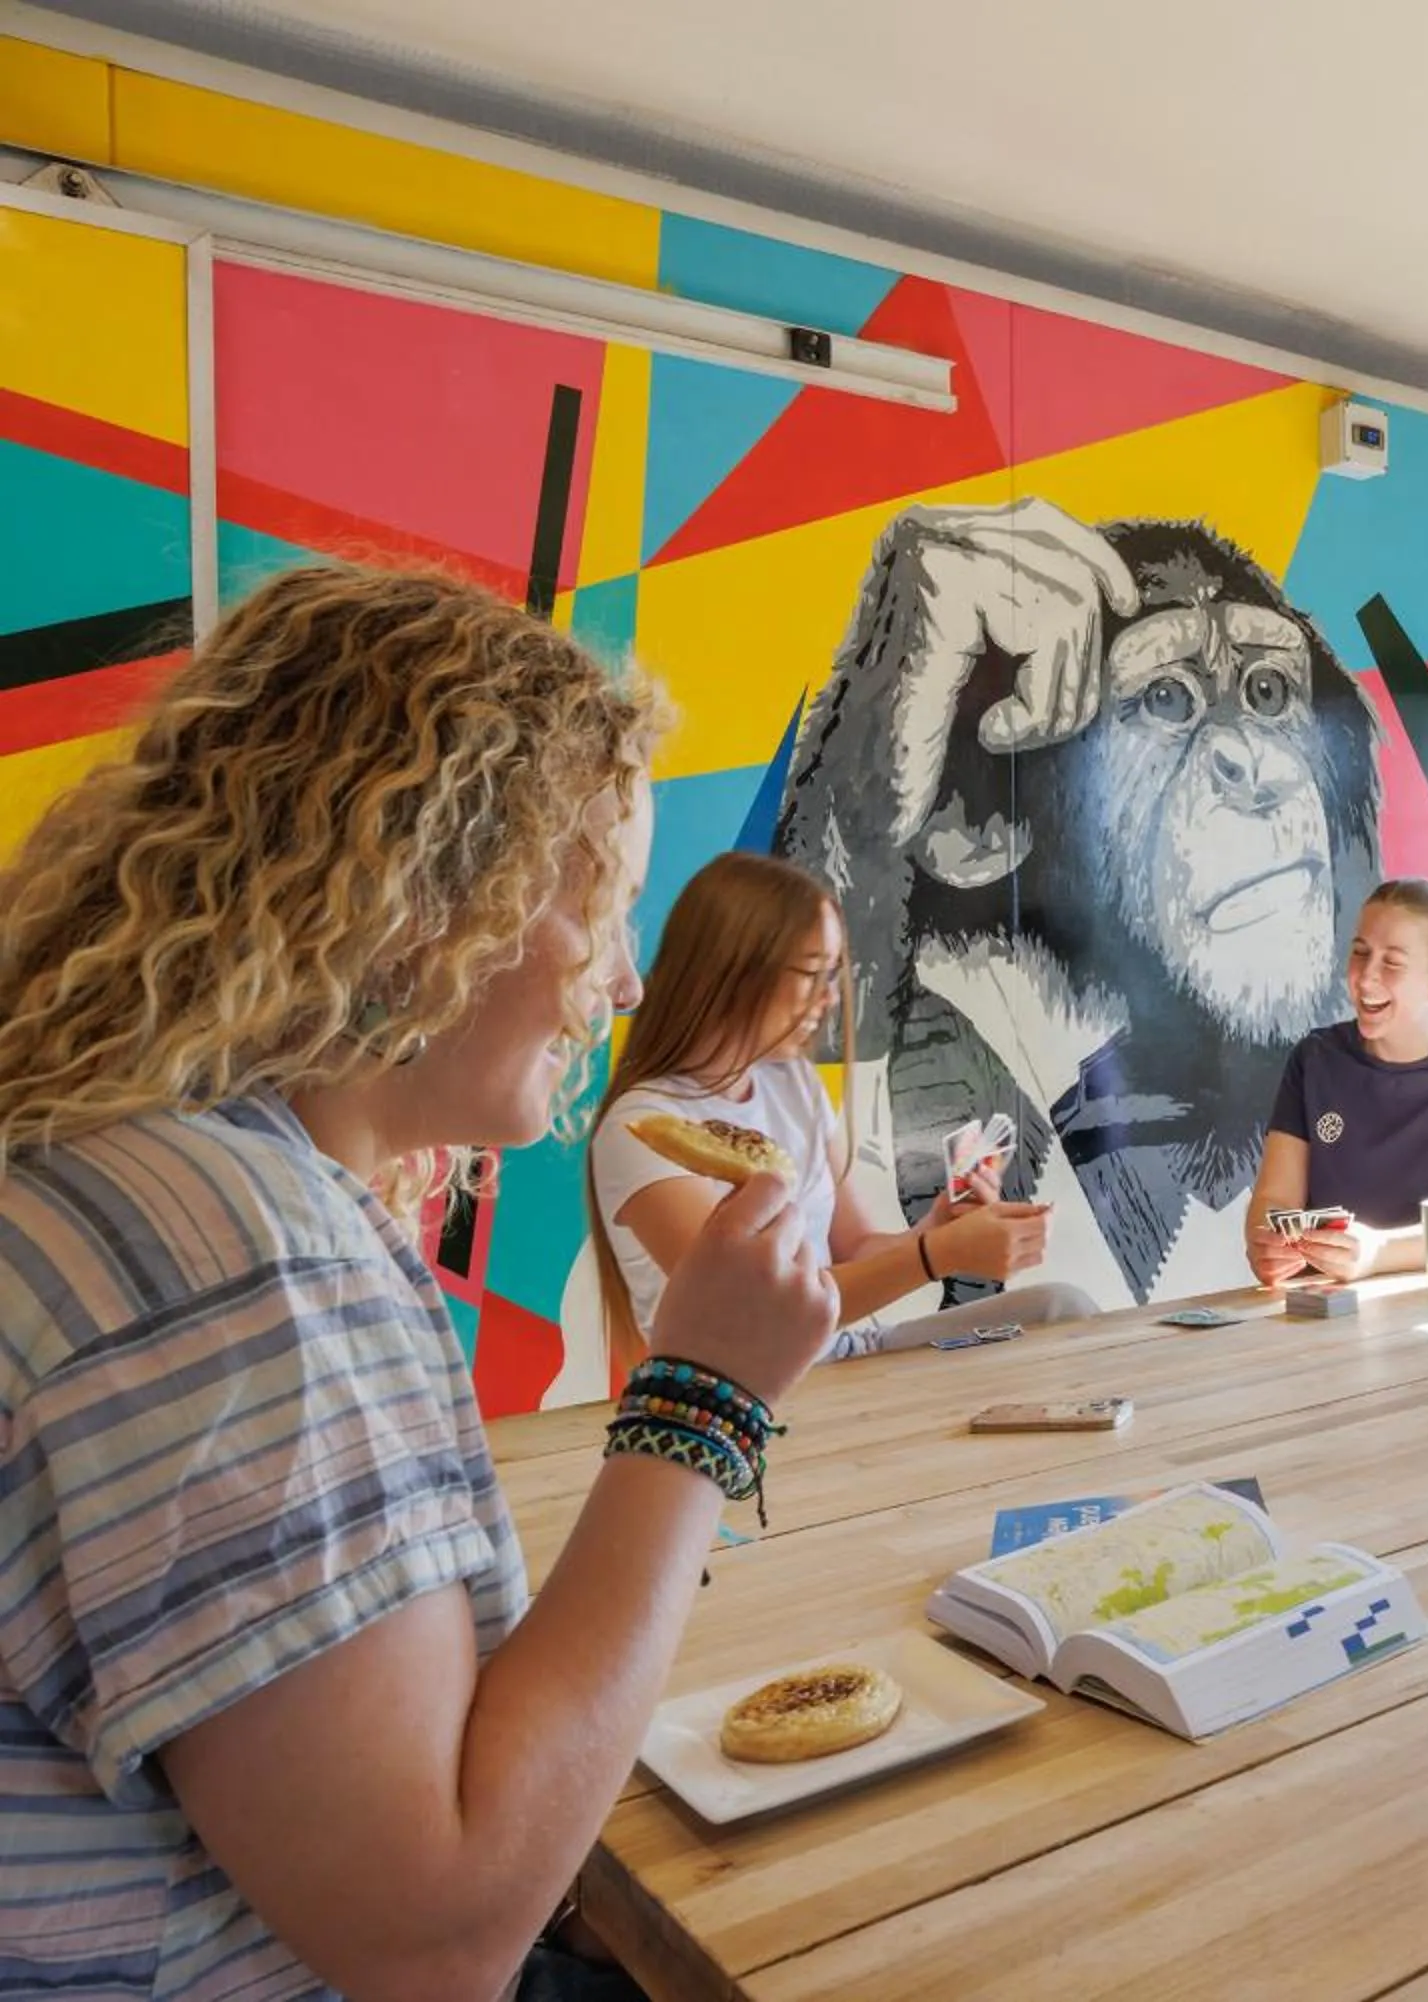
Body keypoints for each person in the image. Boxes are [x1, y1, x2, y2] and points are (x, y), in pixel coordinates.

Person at [0, 565, 840, 2002]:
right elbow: (438, 1934)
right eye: (605, 904)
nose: (628, 980)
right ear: (429, 893)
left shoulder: (154, 1165)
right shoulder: (227, 1257)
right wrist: (701, 1398)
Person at [589, 851, 1095, 1361]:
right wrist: (935, 1255)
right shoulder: (642, 1128)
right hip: (740, 1393)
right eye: (813, 974)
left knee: (1062, 1309)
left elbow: (854, 1249)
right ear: (734, 973)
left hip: (847, 1353)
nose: (829, 999)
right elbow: (762, 1312)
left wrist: (938, 1231)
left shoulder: (793, 1084)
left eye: (833, 975)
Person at [1247, 878, 1428, 1287]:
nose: (1366, 978)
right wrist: (1266, 1244)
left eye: (1392, 963)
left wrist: (1378, 1253)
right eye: (1360, 953)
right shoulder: (1314, 1059)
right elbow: (1274, 1199)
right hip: (1320, 1310)